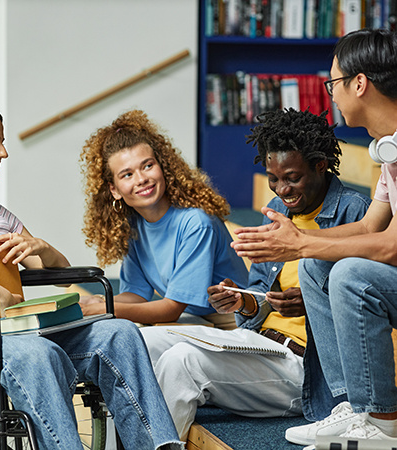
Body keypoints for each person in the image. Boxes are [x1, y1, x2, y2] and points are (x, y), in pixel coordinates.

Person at [0, 99, 183, 450]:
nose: (4, 152)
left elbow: (56, 273)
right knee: (39, 355)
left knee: (119, 332)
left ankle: (158, 446)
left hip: (13, 326)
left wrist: (42, 249)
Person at [140, 108, 371, 441]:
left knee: (182, 361)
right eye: (273, 178)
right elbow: (260, 293)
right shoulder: (277, 212)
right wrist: (243, 300)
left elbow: (365, 305)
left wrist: (307, 303)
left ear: (320, 165)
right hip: (259, 343)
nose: (282, 189)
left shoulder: (356, 213)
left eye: (292, 177)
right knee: (140, 341)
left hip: (304, 366)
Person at [230, 29, 397, 449]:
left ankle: (382, 420)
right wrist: (298, 242)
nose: (332, 96)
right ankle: (349, 405)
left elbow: (391, 246)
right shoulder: (387, 151)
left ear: (359, 84)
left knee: (352, 275)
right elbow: (368, 227)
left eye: (333, 83)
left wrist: (300, 242)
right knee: (316, 264)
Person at [79, 109, 248, 328]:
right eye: (127, 174)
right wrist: (97, 301)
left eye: (148, 165)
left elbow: (170, 310)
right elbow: (136, 295)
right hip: (194, 317)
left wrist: (105, 308)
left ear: (163, 167)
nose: (141, 179)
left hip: (232, 321)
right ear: (114, 189)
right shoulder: (133, 225)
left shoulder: (196, 223)